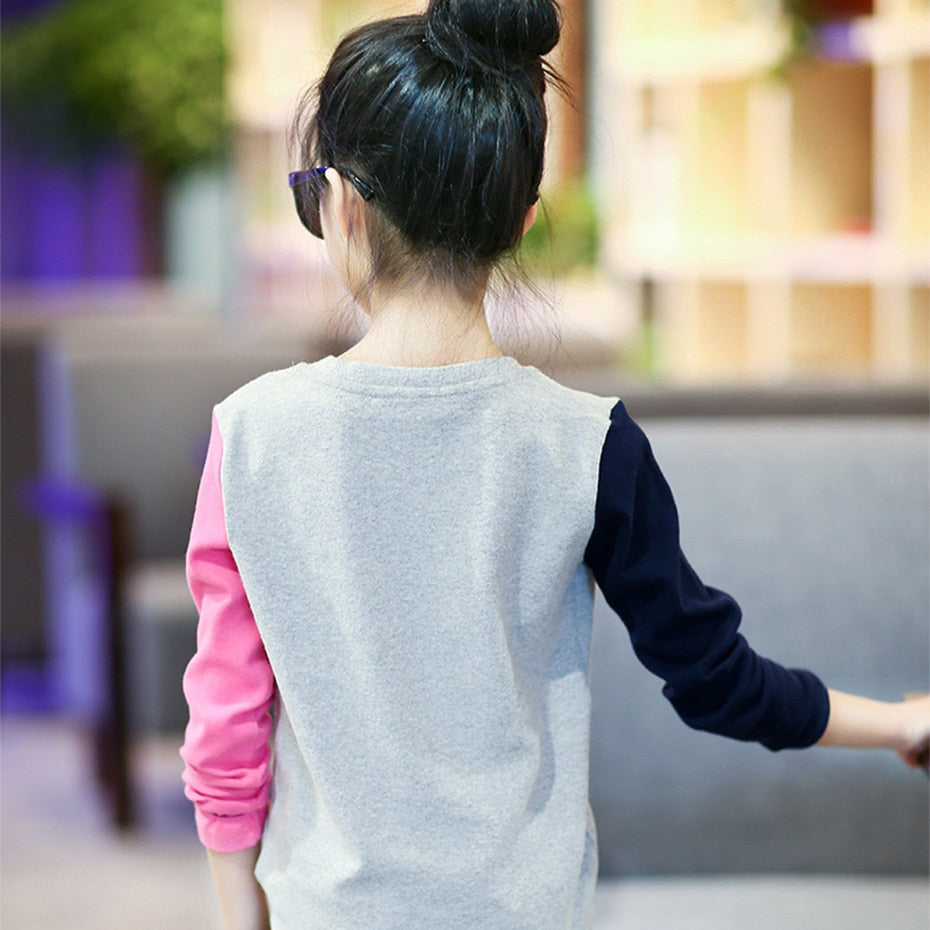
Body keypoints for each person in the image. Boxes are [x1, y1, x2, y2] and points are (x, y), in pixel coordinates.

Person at [180, 2, 930, 928]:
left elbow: (227, 729)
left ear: (337, 204)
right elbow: (717, 681)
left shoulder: (249, 435)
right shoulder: (589, 443)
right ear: (525, 217)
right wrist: (902, 721)